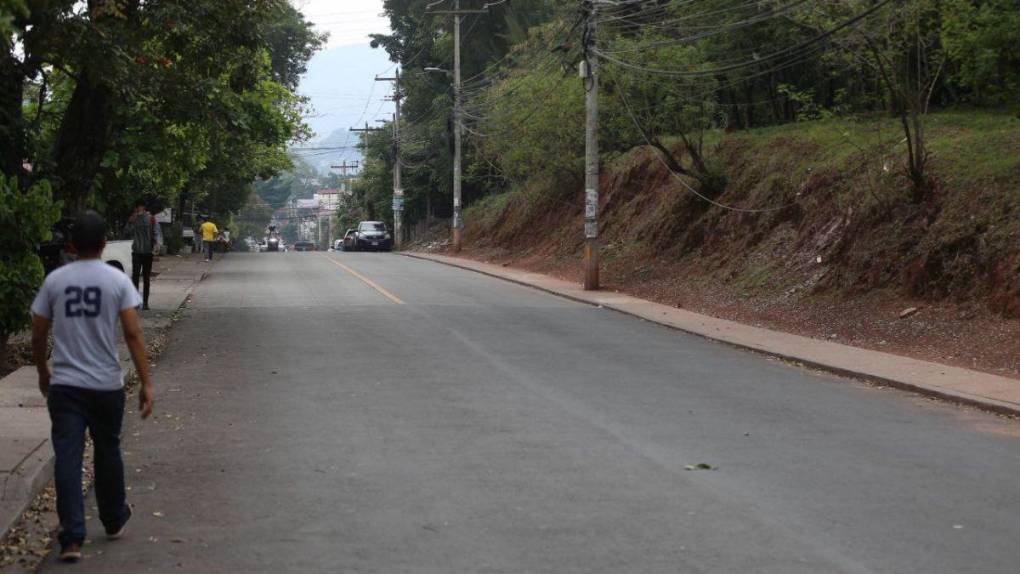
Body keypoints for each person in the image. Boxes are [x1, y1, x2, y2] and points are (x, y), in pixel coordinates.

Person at [31, 211, 155, 563]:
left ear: (71, 245)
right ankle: (113, 518)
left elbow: (38, 333)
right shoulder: (116, 280)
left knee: (68, 457)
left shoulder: (55, 280)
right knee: (107, 450)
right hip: (105, 385)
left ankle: (72, 538)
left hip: (66, 386)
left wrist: (43, 371)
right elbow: (132, 333)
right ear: (104, 244)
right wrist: (146, 382)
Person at [123, 200, 162, 310]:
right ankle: (136, 302)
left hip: (147, 252)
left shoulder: (151, 218)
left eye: (139, 207)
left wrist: (157, 245)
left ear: (143, 207)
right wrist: (130, 222)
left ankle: (145, 303)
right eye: (136, 207)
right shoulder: (133, 219)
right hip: (136, 252)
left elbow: (156, 232)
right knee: (135, 277)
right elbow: (126, 232)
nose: (137, 209)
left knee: (146, 278)